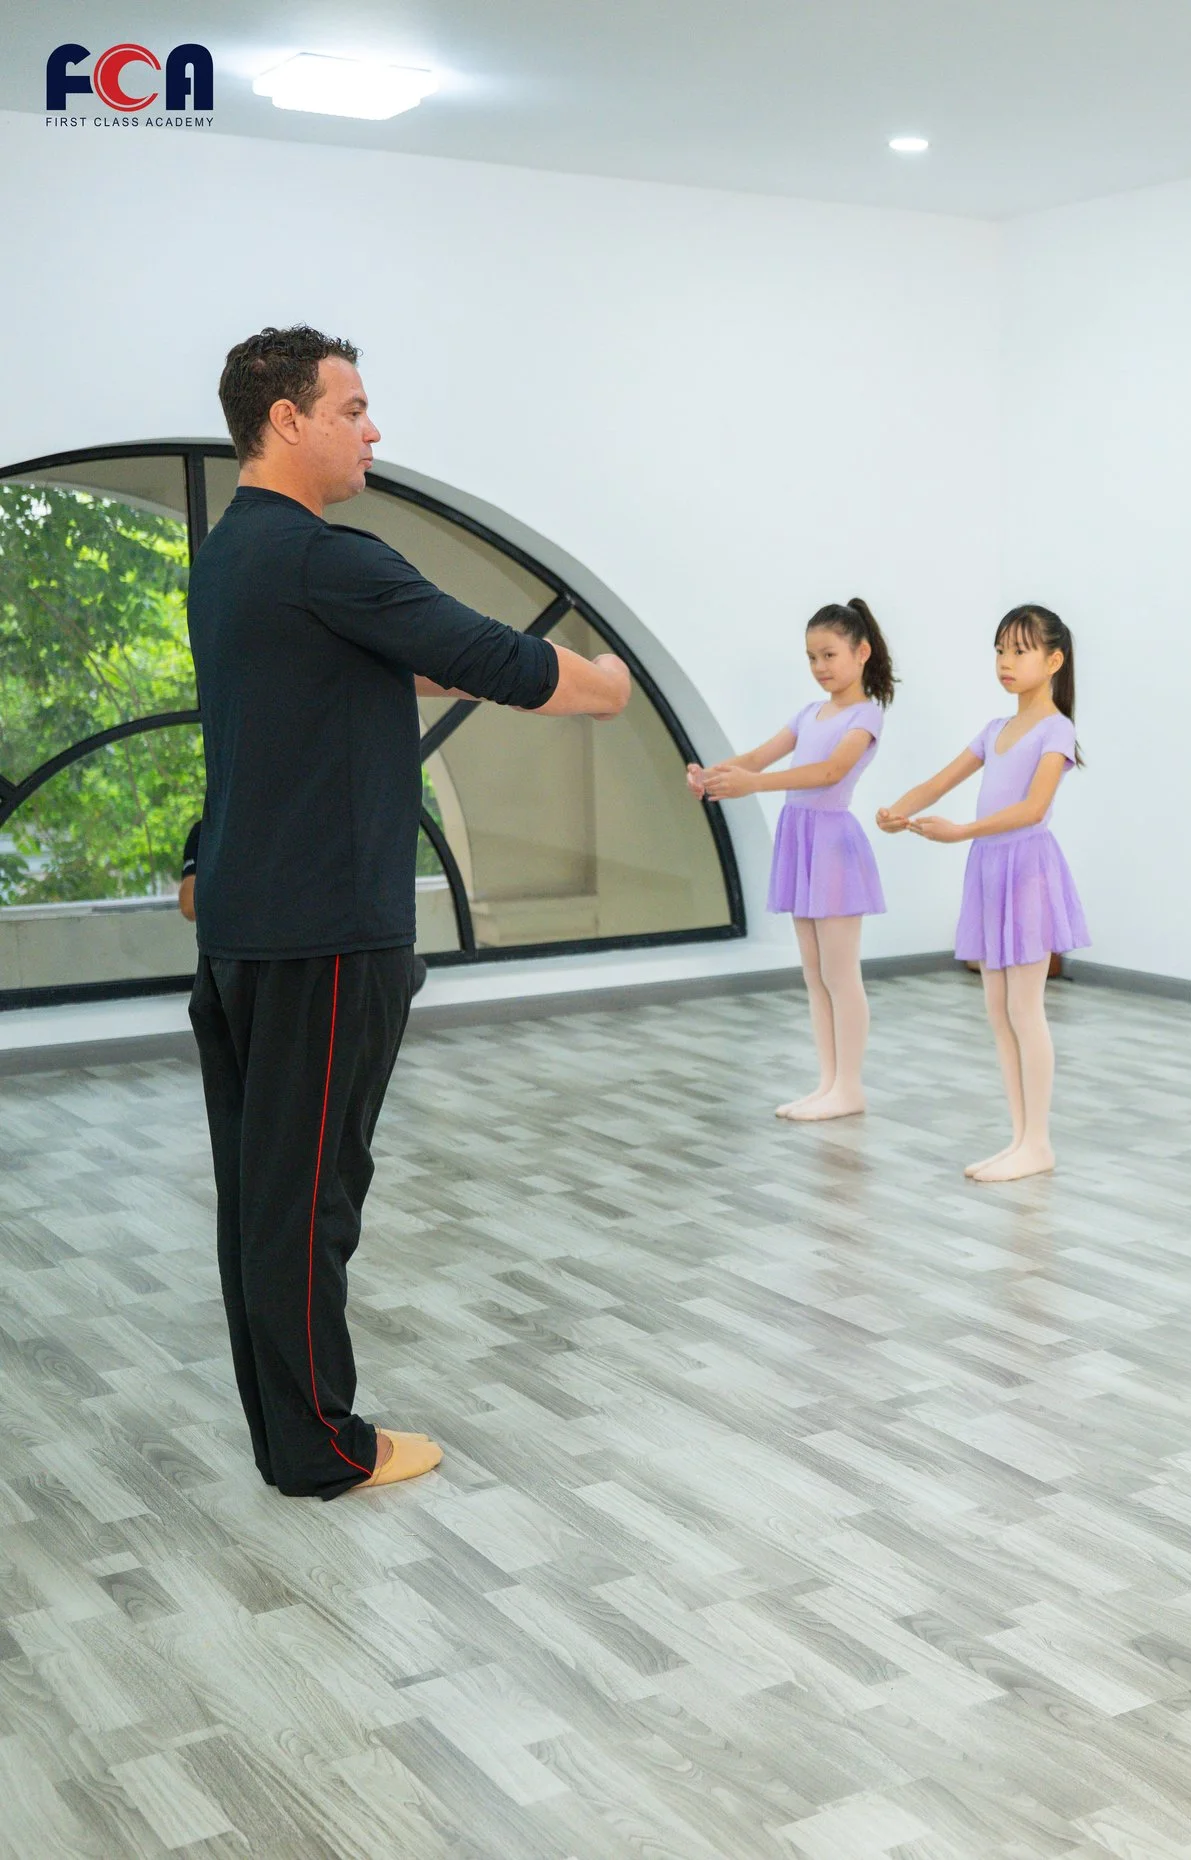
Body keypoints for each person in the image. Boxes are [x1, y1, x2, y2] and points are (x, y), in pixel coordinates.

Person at [187, 325, 632, 1499]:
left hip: (247, 925)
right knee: (311, 1204)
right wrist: (603, 687)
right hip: (324, 934)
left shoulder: (234, 556)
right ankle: (324, 1449)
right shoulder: (330, 556)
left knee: (266, 1200)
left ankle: (291, 1435)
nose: (372, 429)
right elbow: (484, 651)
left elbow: (338, 679)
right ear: (287, 418)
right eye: (353, 407)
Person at [877, 605, 1088, 1181]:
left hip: (1026, 870)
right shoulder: (995, 730)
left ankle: (1038, 1141)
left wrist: (961, 831)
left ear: (1054, 660)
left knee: (1025, 1007)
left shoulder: (1057, 729)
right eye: (1000, 650)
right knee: (998, 1011)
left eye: (1019, 651)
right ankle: (1020, 1138)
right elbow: (941, 781)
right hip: (989, 869)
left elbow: (1033, 807)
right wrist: (900, 811)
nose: (1006, 662)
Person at [689, 600, 895, 1120]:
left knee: (841, 973)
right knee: (814, 972)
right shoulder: (809, 713)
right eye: (811, 657)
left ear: (862, 652)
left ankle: (850, 1086)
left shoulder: (865, 715)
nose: (820, 666)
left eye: (829, 654)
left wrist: (753, 785)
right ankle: (828, 1084)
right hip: (801, 840)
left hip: (832, 844)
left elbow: (829, 772)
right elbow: (756, 758)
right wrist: (712, 776)